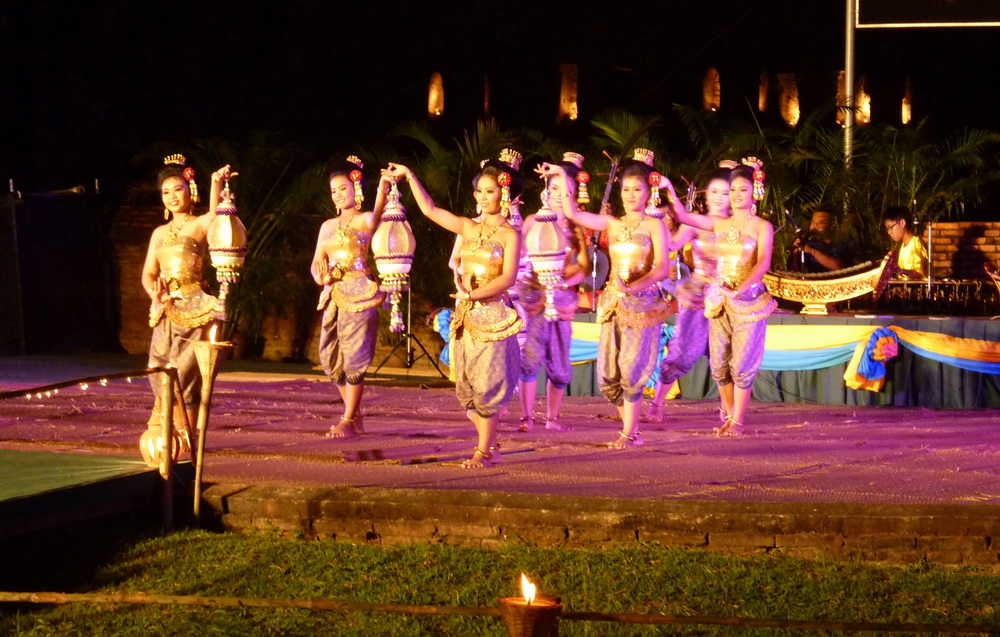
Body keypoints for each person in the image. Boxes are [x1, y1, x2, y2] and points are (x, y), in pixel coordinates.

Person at [384, 150, 523, 468]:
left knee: (488, 385)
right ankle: (492, 443)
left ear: (505, 193)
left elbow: (509, 277)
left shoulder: (510, 235)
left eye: (491, 190)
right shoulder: (468, 228)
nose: (484, 196)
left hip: (495, 318)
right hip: (466, 319)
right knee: (466, 391)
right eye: (480, 191)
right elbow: (431, 210)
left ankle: (484, 451)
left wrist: (474, 295)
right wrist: (409, 176)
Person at [538, 157, 671, 449]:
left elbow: (661, 268)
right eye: (626, 190)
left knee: (631, 369)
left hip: (643, 306)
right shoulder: (612, 223)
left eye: (637, 190)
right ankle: (632, 430)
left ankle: (628, 433)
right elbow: (572, 212)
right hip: (613, 304)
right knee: (609, 376)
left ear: (648, 193)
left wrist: (633, 286)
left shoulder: (654, 226)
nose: (631, 195)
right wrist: (561, 173)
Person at [665, 158, 776, 436]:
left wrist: (741, 288)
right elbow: (684, 217)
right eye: (733, 190)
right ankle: (729, 416)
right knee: (720, 365)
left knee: (742, 365)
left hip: (749, 301)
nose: (737, 196)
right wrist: (667, 187)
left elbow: (762, 263)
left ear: (755, 193)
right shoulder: (719, 223)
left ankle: (738, 421)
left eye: (743, 190)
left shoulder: (762, 227)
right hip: (718, 301)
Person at [143, 156, 235, 434]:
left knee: (186, 375)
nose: (172, 196)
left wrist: (215, 182)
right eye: (166, 192)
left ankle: (188, 437)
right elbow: (149, 272)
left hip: (195, 309)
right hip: (164, 310)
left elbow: (216, 215)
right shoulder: (159, 233)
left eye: (178, 189)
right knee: (159, 373)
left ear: (190, 190)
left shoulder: (199, 224)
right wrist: (154, 295)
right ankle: (172, 434)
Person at [641, 165, 733, 424]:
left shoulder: (738, 226)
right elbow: (669, 246)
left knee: (725, 356)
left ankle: (728, 411)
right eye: (713, 191)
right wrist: (656, 220)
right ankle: (657, 405)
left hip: (727, 296)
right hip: (698, 295)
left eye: (724, 193)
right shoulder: (695, 223)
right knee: (681, 352)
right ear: (706, 194)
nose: (717, 197)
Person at [311, 156, 391, 438]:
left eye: (343, 188)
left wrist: (382, 188)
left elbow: (378, 215)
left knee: (354, 356)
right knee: (330, 356)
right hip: (333, 294)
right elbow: (316, 263)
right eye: (333, 190)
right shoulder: (327, 226)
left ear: (356, 188)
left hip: (359, 292)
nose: (337, 195)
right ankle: (354, 417)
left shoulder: (363, 220)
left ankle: (347, 419)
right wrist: (320, 277)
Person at [515, 152, 590, 433]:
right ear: (547, 189)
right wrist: (527, 290)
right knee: (529, 358)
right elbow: (520, 259)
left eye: (567, 190)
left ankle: (553, 417)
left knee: (559, 363)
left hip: (560, 299)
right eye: (555, 188)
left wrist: (562, 279)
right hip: (533, 297)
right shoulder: (534, 220)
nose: (560, 195)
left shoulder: (577, 226)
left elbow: (583, 267)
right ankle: (526, 417)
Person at [789, 207, 849, 273]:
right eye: (813, 221)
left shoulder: (842, 243)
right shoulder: (809, 244)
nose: (815, 225)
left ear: (832, 225)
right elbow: (794, 272)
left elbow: (838, 266)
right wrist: (795, 252)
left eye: (821, 222)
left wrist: (811, 250)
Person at [883, 206, 928, 279]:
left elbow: (920, 274)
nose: (889, 232)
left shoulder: (917, 244)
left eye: (891, 227)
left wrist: (899, 271)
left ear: (902, 223)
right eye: (887, 229)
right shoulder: (903, 246)